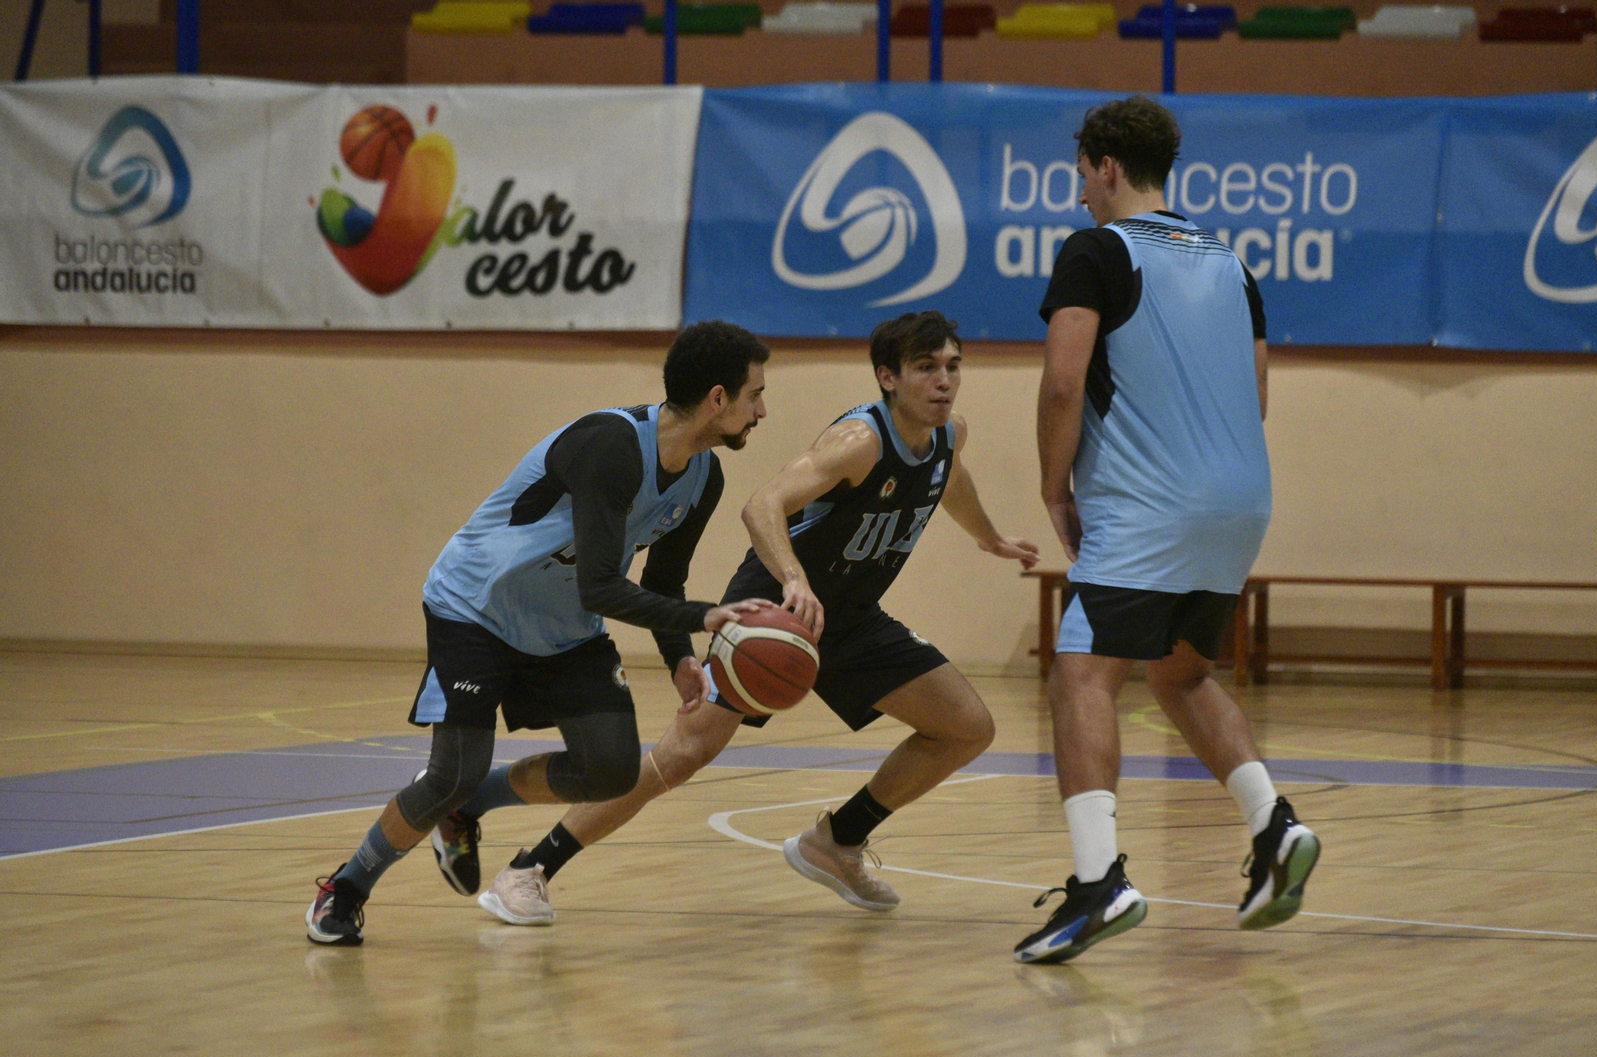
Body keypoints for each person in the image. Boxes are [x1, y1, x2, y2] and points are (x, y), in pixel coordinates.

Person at [435, 310, 1040, 924]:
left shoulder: (948, 434)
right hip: (774, 611)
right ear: (888, 377)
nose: (943, 381)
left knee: (966, 726)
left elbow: (948, 478)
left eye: (952, 367)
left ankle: (836, 841)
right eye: (925, 368)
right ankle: (531, 868)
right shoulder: (860, 440)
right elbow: (762, 506)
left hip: (851, 616)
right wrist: (795, 581)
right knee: (681, 756)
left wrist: (989, 537)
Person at [306, 321, 774, 946]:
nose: (762, 411)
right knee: (452, 772)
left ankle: (468, 808)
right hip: (478, 606)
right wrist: (704, 616)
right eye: (755, 396)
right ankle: (346, 888)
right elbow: (602, 587)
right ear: (718, 399)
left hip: (561, 626)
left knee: (609, 771)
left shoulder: (702, 476)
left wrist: (680, 661)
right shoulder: (612, 445)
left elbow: (665, 574)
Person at [1015, 96, 1321, 965]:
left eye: (1082, 176)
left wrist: (1053, 487)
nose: (1079, 194)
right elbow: (1255, 398)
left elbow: (1062, 384)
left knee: (1079, 678)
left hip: (1149, 501)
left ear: (1107, 168)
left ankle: (1096, 881)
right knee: (1179, 673)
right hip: (1240, 500)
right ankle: (1272, 826)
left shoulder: (1096, 252)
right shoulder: (1231, 262)